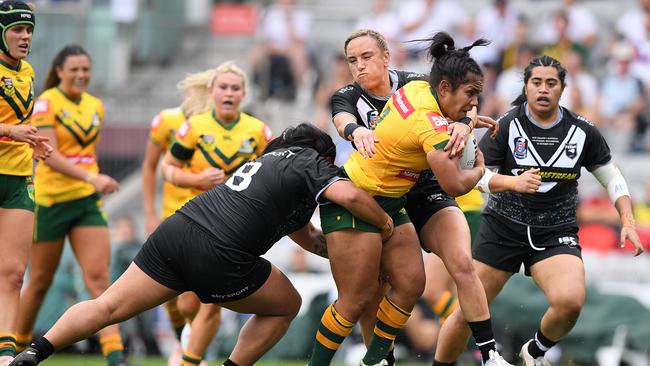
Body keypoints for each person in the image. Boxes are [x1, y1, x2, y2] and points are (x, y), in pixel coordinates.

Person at [9, 123, 395, 366]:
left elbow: (306, 236)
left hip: (178, 231)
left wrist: (342, 255)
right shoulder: (309, 161)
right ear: (321, 154)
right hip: (220, 252)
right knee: (287, 305)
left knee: (108, 305)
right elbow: (350, 197)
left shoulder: (268, 166)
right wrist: (385, 225)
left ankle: (34, 352)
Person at [309, 31, 510, 366]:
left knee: (440, 272)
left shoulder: (417, 84)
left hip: (418, 189)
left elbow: (460, 100)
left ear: (387, 57)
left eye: (367, 57)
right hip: (366, 195)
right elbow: (342, 118)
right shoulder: (348, 95)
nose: (359, 67)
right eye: (352, 60)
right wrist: (355, 130)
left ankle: (488, 354)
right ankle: (374, 360)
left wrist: (464, 122)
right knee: (365, 293)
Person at [433, 55, 645, 366]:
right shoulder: (504, 125)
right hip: (503, 227)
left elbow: (611, 176)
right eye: (536, 82)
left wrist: (627, 220)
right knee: (466, 315)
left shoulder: (583, 130)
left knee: (570, 303)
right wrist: (513, 183)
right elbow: (478, 177)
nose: (543, 89)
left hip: (555, 231)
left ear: (562, 89)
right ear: (526, 87)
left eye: (551, 83)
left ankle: (534, 352)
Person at [12, 45, 126, 366]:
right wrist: (92, 179)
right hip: (51, 203)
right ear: (59, 71)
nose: (81, 75)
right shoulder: (47, 102)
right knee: (39, 283)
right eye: (74, 69)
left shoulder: (96, 106)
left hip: (86, 204)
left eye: (86, 69)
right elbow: (48, 154)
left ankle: (116, 358)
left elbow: (86, 154)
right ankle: (15, 352)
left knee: (100, 280)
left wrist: (91, 183)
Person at [160, 61, 272, 366]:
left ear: (244, 94)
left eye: (235, 88)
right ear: (212, 91)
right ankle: (188, 344)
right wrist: (196, 180)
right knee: (186, 303)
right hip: (198, 221)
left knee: (209, 302)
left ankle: (189, 358)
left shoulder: (258, 131)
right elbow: (166, 168)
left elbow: (274, 171)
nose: (229, 93)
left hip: (237, 228)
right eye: (223, 87)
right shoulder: (194, 128)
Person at [141, 67, 216, 365]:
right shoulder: (166, 121)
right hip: (170, 215)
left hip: (206, 217)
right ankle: (182, 343)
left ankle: (193, 353)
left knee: (193, 296)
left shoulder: (217, 125)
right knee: (169, 295)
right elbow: (150, 167)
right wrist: (149, 212)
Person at [0, 2, 50, 365]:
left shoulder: (29, 71)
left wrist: (33, 141)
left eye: (29, 30)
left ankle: (4, 354)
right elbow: (10, 126)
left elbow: (19, 123)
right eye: (17, 29)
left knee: (15, 273)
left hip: (18, 179)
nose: (25, 36)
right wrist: (10, 131)